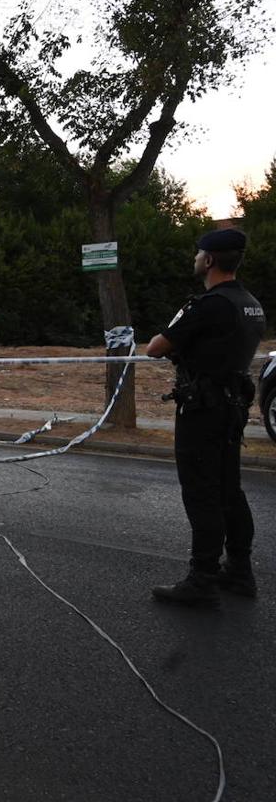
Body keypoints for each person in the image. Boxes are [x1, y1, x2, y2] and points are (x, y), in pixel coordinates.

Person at [146, 228, 266, 606]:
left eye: (199, 253)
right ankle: (240, 572)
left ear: (210, 260)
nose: (196, 258)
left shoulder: (208, 304)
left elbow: (155, 348)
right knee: (230, 489)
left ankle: (202, 578)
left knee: (201, 493)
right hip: (232, 409)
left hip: (203, 411)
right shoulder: (251, 303)